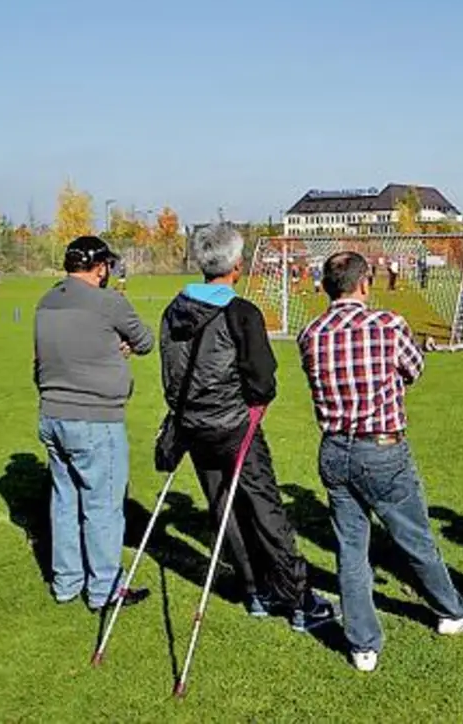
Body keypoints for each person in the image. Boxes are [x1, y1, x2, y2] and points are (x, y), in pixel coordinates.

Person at [299, 252, 463, 673]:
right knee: (415, 538)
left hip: (334, 449)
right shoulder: (387, 325)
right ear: (365, 283)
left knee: (351, 549)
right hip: (382, 449)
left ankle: (362, 645)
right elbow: (414, 369)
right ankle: (452, 612)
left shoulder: (310, 333)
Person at [159, 224, 338, 631]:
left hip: (193, 426)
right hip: (234, 425)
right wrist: (251, 402)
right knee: (263, 508)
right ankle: (295, 598)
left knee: (224, 506)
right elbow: (262, 378)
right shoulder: (240, 312)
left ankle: (254, 588)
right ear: (236, 266)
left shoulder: (173, 309)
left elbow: (169, 372)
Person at [33, 236, 155, 611]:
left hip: (52, 414)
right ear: (100, 267)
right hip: (95, 418)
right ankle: (104, 589)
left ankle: (66, 583)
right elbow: (146, 341)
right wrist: (122, 346)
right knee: (102, 505)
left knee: (65, 501)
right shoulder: (109, 303)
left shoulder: (46, 301)